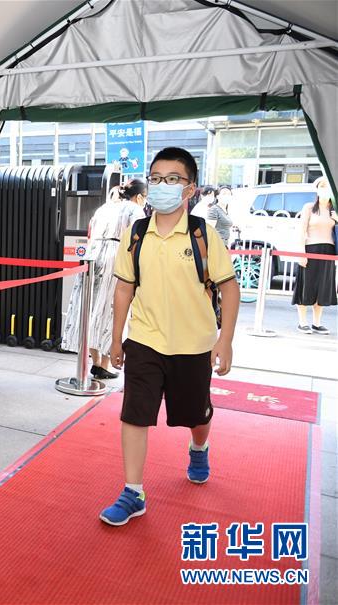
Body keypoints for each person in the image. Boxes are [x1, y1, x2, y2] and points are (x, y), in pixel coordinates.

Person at [99, 147, 239, 527]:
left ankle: (199, 446)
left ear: (189, 189)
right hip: (145, 340)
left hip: (194, 345)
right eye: (156, 178)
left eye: (172, 179)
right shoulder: (136, 234)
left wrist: (224, 341)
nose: (162, 185)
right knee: (134, 414)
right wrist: (116, 338)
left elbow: (229, 288)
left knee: (196, 413)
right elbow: (124, 289)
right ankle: (133, 492)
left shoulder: (203, 235)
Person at [61, 179, 147, 380]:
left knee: (88, 308)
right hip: (115, 256)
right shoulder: (134, 210)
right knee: (111, 309)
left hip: (92, 255)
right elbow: (138, 240)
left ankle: (96, 362)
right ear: (139, 197)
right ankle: (105, 365)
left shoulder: (104, 208)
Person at [292, 176, 337, 334]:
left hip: (329, 251)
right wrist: (301, 253)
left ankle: (317, 323)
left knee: (323, 287)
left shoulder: (334, 209)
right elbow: (302, 230)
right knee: (306, 285)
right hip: (310, 249)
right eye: (322, 186)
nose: (325, 190)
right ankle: (302, 322)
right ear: (317, 189)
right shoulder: (309, 207)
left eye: (328, 186)